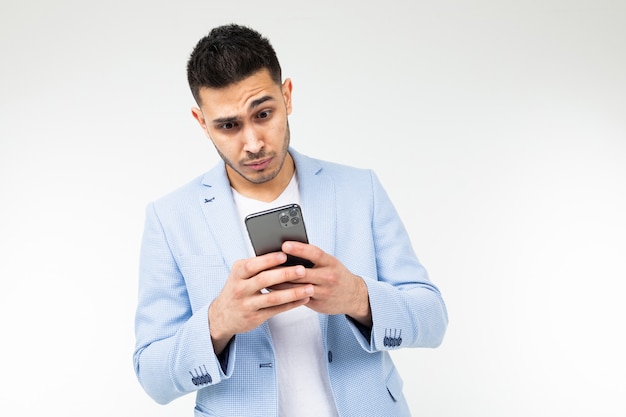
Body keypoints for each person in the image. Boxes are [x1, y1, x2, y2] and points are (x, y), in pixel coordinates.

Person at [133, 23, 448, 417]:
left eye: (263, 113)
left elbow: (433, 319)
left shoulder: (358, 189)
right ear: (201, 122)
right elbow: (152, 375)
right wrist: (218, 322)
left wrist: (357, 296)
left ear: (287, 96)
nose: (252, 143)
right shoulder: (170, 218)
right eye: (228, 125)